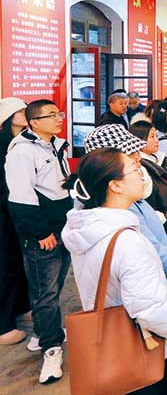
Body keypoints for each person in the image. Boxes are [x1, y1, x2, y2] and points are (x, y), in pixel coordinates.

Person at [62, 148, 167, 394]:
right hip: (137, 352)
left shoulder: (87, 228)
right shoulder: (127, 242)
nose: (141, 172)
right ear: (115, 185)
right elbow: (151, 310)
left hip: (107, 348)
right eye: (134, 168)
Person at [83, 124, 167, 303]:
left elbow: (159, 239)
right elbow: (153, 255)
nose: (138, 158)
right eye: (131, 154)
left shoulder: (134, 199)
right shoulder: (120, 216)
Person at [6, 100, 72, 384]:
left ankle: (42, 333)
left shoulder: (55, 144)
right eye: (51, 115)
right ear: (33, 122)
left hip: (62, 226)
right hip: (43, 234)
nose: (59, 119)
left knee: (53, 287)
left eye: (59, 114)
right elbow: (21, 198)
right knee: (44, 292)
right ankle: (51, 349)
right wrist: (40, 233)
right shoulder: (22, 152)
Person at [0, 98, 30, 346]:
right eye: (20, 111)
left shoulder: (21, 141)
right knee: (6, 268)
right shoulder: (4, 146)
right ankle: (4, 325)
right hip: (4, 215)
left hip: (16, 213)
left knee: (19, 263)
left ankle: (21, 306)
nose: (25, 114)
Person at [130, 121, 167, 240]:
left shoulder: (159, 159)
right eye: (151, 136)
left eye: (156, 136)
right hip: (159, 223)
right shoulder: (142, 168)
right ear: (139, 140)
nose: (157, 140)